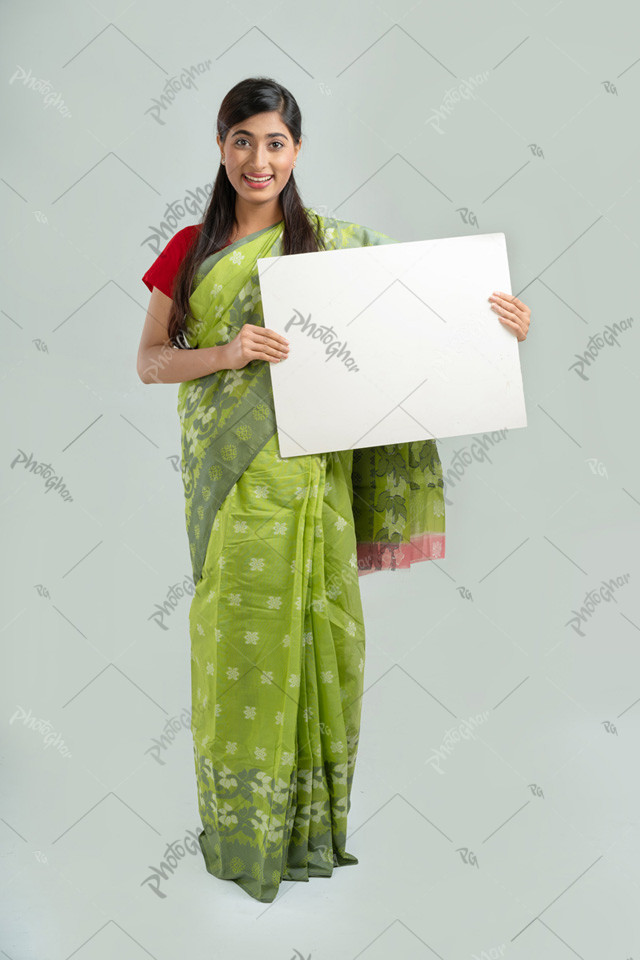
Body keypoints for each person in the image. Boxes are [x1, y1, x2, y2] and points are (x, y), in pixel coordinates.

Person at [138, 77, 532, 904]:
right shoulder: (188, 248)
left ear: (297, 152)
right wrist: (226, 353)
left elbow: (418, 313)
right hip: (230, 492)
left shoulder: (327, 247)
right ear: (220, 148)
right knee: (234, 647)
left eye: (275, 142)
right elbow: (150, 362)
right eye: (242, 140)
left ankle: (307, 829)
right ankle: (241, 830)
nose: (258, 159)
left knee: (321, 643)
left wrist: (496, 324)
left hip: (312, 487)